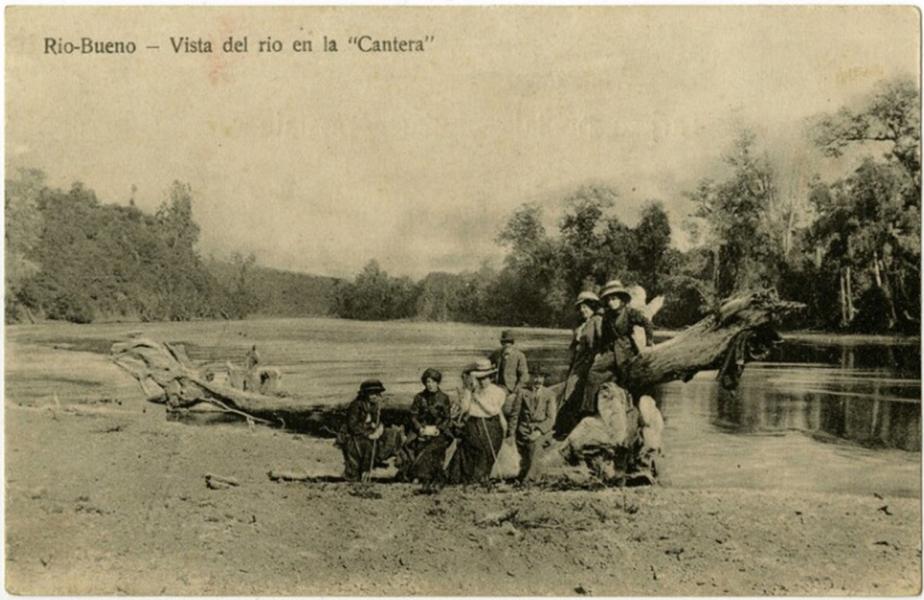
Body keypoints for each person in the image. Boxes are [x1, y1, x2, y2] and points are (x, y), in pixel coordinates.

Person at [446, 359, 506, 484]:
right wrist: (468, 392)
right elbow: (466, 408)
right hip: (473, 424)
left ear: (491, 378)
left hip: (491, 425)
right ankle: (465, 477)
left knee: (485, 450)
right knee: (469, 447)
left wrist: (478, 399)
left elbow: (493, 410)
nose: (482, 381)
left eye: (485, 378)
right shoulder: (474, 390)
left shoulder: (498, 392)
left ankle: (480, 476)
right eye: (479, 379)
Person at [554, 291, 604, 437]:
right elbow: (574, 347)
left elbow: (600, 343)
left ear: (593, 307)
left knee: (572, 394)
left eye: (586, 307)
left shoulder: (597, 321)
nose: (583, 310)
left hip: (587, 364)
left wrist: (595, 360)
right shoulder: (583, 324)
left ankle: (570, 429)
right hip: (577, 363)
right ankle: (564, 428)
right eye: (581, 308)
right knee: (567, 392)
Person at [336, 379, 402, 482]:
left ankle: (378, 461)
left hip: (370, 432)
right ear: (365, 394)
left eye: (377, 393)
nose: (375, 396)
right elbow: (352, 426)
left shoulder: (375, 405)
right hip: (354, 435)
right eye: (372, 394)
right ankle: (363, 471)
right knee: (367, 445)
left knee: (392, 435)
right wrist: (368, 434)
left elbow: (377, 421)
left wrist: (379, 428)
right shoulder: (356, 405)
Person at [397, 368, 453, 485]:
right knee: (410, 444)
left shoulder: (444, 398)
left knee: (435, 445)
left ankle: (421, 474)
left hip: (438, 430)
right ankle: (417, 474)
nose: (430, 385)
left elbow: (447, 418)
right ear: (424, 383)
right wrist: (420, 429)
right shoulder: (419, 397)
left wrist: (439, 429)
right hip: (421, 428)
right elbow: (413, 416)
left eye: (433, 382)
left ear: (438, 383)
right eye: (428, 382)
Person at [598, 280, 654, 386]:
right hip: (611, 351)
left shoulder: (629, 313)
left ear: (621, 299)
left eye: (614, 299)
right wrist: (601, 352)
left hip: (627, 350)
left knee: (626, 375)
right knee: (594, 373)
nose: (611, 302)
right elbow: (604, 336)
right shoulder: (607, 316)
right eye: (609, 300)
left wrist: (649, 344)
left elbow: (647, 324)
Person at [507, 366, 557, 484]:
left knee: (534, 446)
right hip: (523, 429)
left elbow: (551, 419)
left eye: (540, 377)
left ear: (544, 379)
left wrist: (538, 431)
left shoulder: (549, 394)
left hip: (541, 430)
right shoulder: (523, 392)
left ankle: (529, 480)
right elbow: (515, 414)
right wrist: (511, 433)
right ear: (531, 377)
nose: (538, 380)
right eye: (535, 377)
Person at [490, 330, 529, 406]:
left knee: (497, 396)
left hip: (511, 387)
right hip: (497, 384)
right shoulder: (497, 353)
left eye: (509, 342)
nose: (507, 345)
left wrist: (515, 390)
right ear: (502, 343)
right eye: (504, 342)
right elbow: (487, 363)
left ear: (512, 343)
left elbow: (524, 376)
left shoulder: (519, 356)